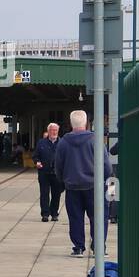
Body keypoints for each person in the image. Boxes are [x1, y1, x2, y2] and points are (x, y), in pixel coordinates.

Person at [55, 109, 112, 257]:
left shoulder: (63, 142)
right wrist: (104, 180)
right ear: (86, 123)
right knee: (99, 217)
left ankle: (78, 247)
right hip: (94, 187)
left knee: (75, 218)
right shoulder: (95, 140)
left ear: (71, 123)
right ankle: (98, 247)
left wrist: (63, 181)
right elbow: (106, 166)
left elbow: (58, 166)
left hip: (72, 186)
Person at [33, 122, 62, 223]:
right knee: (44, 194)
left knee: (56, 194)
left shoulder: (62, 143)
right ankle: (45, 214)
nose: (54, 132)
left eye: (55, 130)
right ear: (48, 131)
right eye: (52, 130)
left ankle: (54, 213)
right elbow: (35, 156)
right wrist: (37, 162)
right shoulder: (41, 142)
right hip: (44, 173)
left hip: (57, 174)